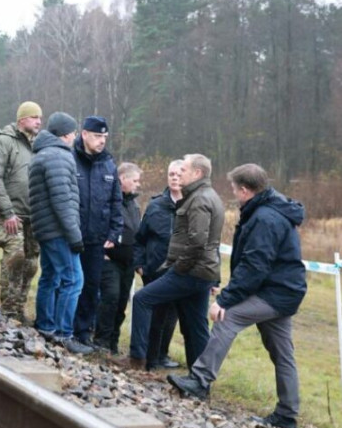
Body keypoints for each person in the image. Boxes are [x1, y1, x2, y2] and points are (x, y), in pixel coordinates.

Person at [168, 164, 306, 428]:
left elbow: (255, 266)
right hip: (282, 290)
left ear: (245, 190)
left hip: (276, 292)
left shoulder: (265, 218)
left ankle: (199, 380)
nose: (232, 193)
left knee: (227, 317)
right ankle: (287, 415)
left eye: (234, 189)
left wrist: (226, 299)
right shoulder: (268, 210)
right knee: (283, 353)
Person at [115, 153, 224, 370]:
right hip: (201, 272)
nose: (178, 174)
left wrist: (177, 268)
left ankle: (137, 359)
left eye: (183, 170)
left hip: (191, 271)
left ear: (197, 173)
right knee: (195, 326)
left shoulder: (200, 199)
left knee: (143, 299)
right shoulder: (204, 195)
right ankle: (199, 379)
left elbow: (198, 242)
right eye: (175, 171)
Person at [28, 112, 93, 354]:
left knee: (50, 277)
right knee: (73, 280)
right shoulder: (59, 156)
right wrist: (74, 236)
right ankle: (63, 334)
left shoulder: (42, 154)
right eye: (74, 132)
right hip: (59, 231)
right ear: (65, 134)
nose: (75, 136)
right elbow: (62, 200)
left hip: (46, 229)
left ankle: (45, 326)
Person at [0, 101, 43, 321]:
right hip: (11, 215)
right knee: (15, 258)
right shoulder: (3, 142)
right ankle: (8, 311)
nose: (39, 121)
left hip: (33, 217)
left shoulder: (38, 146)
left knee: (30, 264)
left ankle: (19, 310)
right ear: (22, 120)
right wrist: (7, 212)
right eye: (34, 117)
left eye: (40, 117)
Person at [72, 116, 123, 347]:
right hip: (73, 234)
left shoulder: (109, 164)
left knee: (91, 285)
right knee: (69, 282)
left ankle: (83, 331)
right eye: (97, 136)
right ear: (84, 134)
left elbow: (116, 202)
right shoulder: (71, 159)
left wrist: (114, 233)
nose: (101, 141)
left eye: (104, 137)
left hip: (97, 237)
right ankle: (62, 326)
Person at [133, 160, 184, 371]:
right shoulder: (155, 205)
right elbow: (141, 238)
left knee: (171, 316)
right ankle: (147, 357)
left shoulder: (194, 206)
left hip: (180, 271)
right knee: (154, 315)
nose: (174, 178)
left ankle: (162, 354)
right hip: (154, 269)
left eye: (179, 174)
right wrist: (140, 264)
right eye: (171, 174)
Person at [94, 162, 142, 354]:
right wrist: (101, 251)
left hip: (128, 262)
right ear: (123, 179)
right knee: (110, 297)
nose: (138, 184)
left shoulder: (134, 204)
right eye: (135, 180)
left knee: (122, 301)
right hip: (110, 259)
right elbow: (97, 225)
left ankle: (113, 340)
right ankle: (102, 339)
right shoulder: (107, 200)